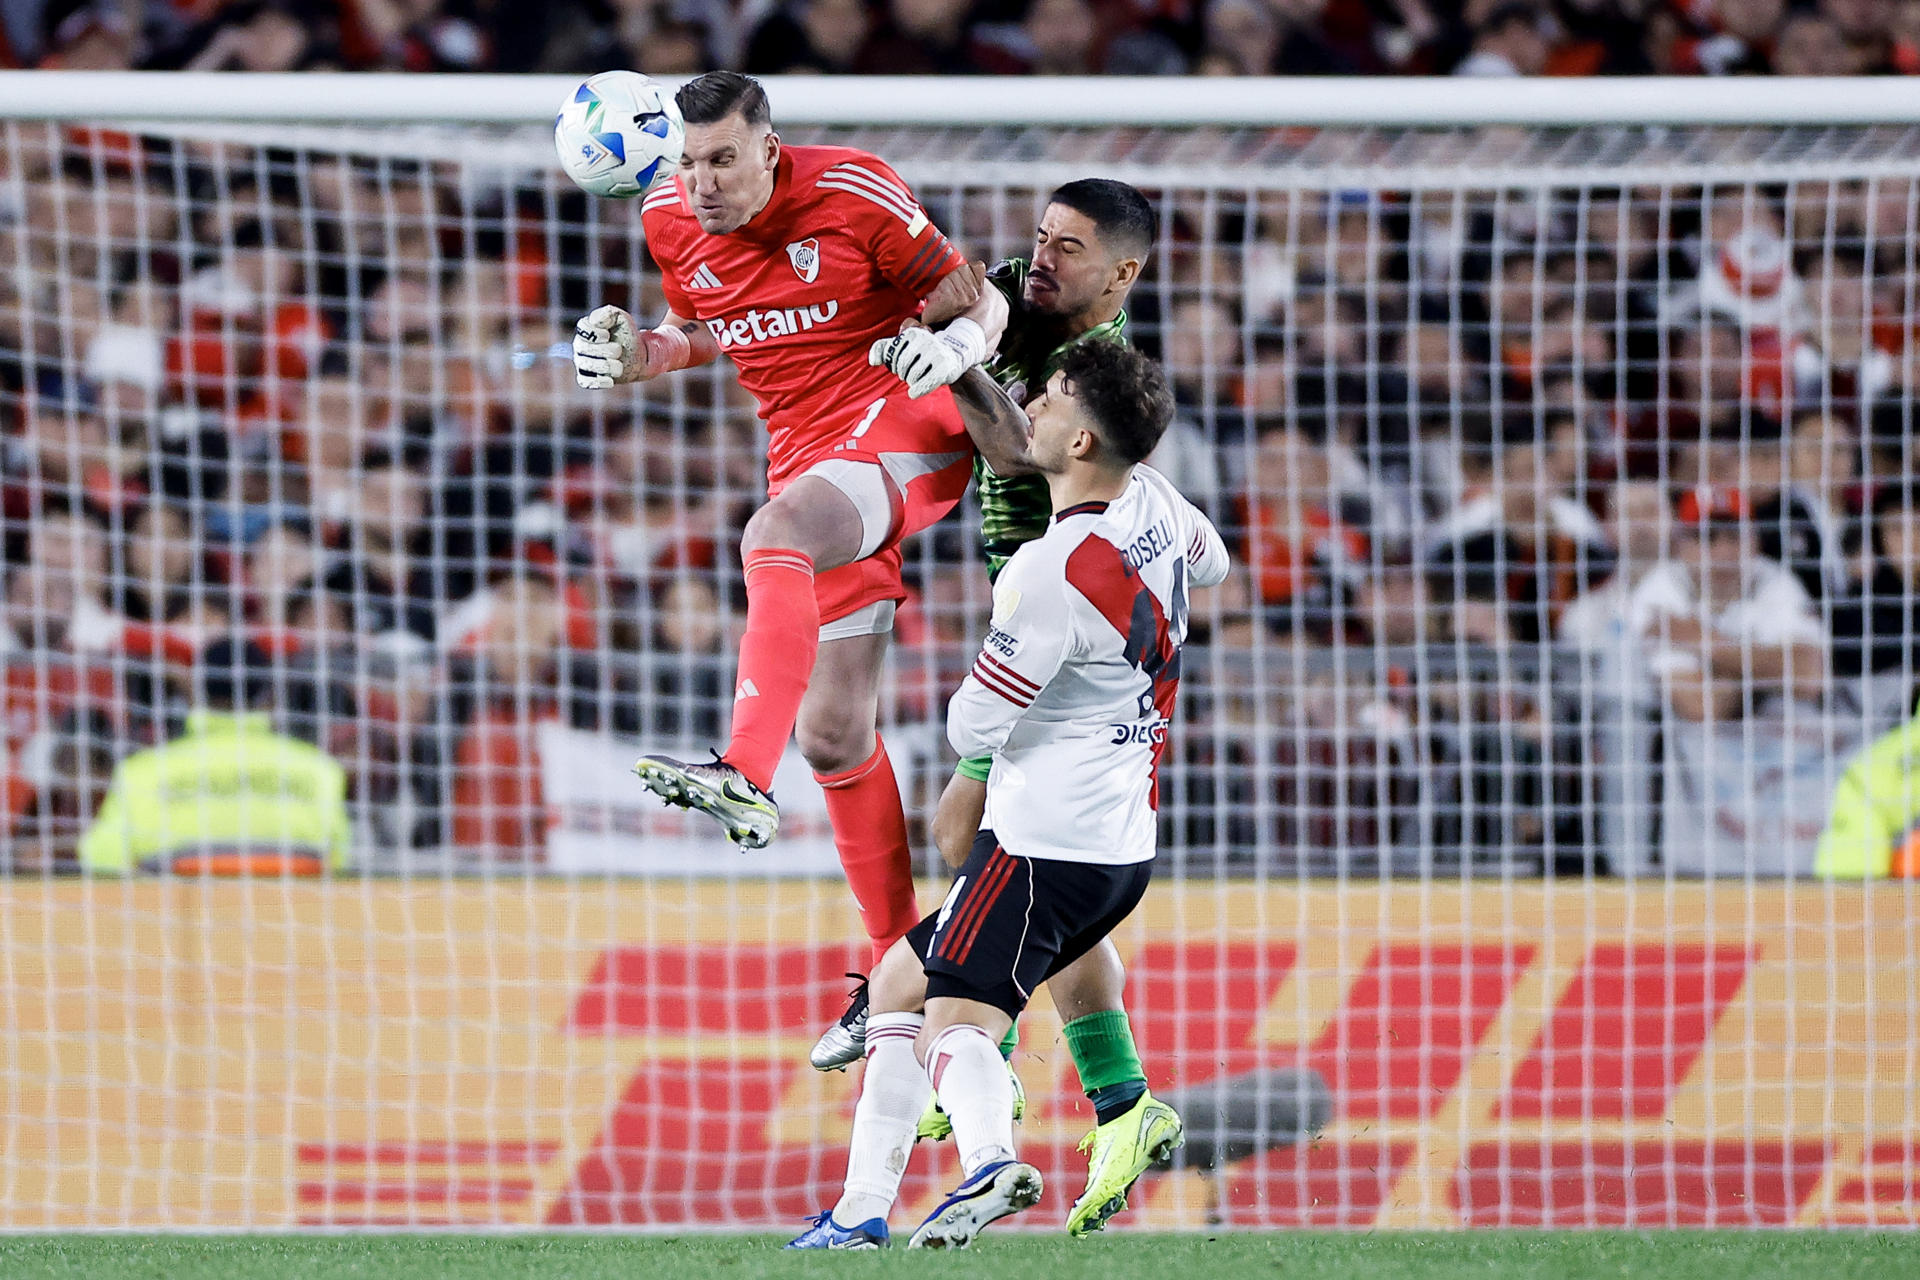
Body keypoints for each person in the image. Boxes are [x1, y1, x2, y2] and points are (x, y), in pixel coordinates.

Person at [570, 72, 1001, 1061]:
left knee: (773, 533)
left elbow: (979, 301)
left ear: (770, 148)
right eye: (687, 164)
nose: (703, 184)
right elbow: (711, 325)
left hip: (910, 420)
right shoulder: (671, 219)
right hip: (811, 455)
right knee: (837, 732)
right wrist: (643, 354)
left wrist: (960, 347)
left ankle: (738, 772)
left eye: (723, 159)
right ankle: (899, 970)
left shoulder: (856, 191)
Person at [787, 343, 1229, 1249]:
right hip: (1119, 839)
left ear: (1081, 443)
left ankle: (991, 1164)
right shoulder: (1156, 501)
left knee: (952, 1017)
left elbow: (970, 725)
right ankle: (860, 1212)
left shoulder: (1048, 569)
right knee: (898, 987)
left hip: (1042, 844)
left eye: (1055, 397)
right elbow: (1211, 563)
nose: (1034, 404)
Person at [867, 178, 1181, 1234]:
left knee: (977, 832)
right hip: (1072, 615)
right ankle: (1117, 1100)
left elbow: (1013, 451)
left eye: (1069, 248)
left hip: (1054, 619)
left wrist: (953, 368)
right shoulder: (1015, 298)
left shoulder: (1088, 376)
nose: (1041, 258)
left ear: (1122, 276)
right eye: (1041, 237)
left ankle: (966, 1040)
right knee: (1034, 875)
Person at [77, 637, 351, 875]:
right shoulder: (320, 771)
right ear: (269, 695)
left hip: (177, 926)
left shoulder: (142, 772)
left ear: (197, 690)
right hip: (293, 924)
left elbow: (100, 858)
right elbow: (343, 861)